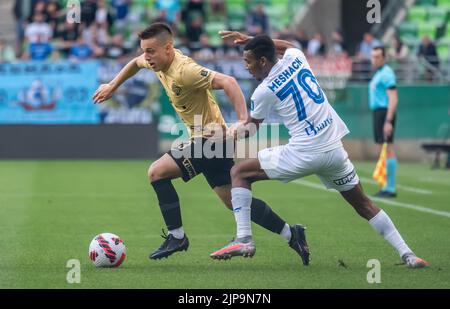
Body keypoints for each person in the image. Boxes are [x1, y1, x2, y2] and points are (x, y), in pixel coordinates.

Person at [210, 31, 428, 269]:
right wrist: (254, 39)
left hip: (303, 154)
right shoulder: (296, 57)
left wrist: (229, 133)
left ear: (263, 61)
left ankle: (244, 239)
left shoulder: (264, 90)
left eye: (249, 62)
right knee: (364, 204)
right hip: (334, 152)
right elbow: (289, 45)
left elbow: (251, 129)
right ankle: (408, 254)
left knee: (239, 173)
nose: (246, 67)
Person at [92, 23, 307, 262]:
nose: (147, 56)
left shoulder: (185, 71)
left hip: (211, 140)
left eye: (151, 50)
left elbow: (230, 82)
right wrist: (112, 85)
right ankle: (291, 233)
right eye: (145, 50)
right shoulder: (154, 60)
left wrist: (244, 120)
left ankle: (177, 236)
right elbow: (134, 63)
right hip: (212, 141)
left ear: (169, 48)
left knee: (156, 172)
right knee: (231, 200)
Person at [369, 47, 398, 198]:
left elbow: (393, 98)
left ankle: (390, 188)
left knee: (388, 149)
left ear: (384, 57)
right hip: (378, 112)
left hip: (384, 112)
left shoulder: (387, 73)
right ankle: (386, 186)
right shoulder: (379, 73)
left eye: (378, 57)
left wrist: (388, 120)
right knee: (384, 149)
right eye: (373, 56)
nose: (375, 59)